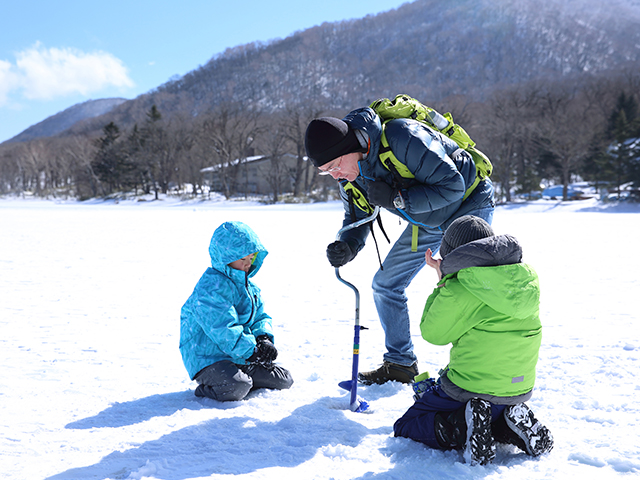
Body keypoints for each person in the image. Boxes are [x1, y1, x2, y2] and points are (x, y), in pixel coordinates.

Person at [304, 107, 495, 384]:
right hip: (426, 220)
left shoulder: (401, 137)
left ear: (350, 148)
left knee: (472, 286)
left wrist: (397, 198)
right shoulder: (351, 175)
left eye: (333, 166)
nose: (334, 175)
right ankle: (400, 364)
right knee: (385, 284)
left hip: (468, 204)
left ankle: (482, 372)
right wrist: (347, 245)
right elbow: (358, 216)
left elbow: (453, 184)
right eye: (325, 172)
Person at [393, 215, 553, 465]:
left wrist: (444, 280)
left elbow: (433, 333)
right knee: (491, 410)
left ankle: (460, 427)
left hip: (469, 387)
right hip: (517, 389)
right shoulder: (524, 280)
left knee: (407, 425)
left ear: (452, 254)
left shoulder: (461, 287)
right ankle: (510, 425)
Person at [179, 221, 293, 402]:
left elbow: (260, 317)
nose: (248, 264)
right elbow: (223, 328)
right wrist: (251, 351)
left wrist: (263, 338)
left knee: (284, 379)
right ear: (226, 258)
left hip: (239, 354)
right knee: (236, 387)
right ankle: (208, 388)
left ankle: (242, 375)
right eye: (242, 260)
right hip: (208, 358)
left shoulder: (248, 286)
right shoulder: (210, 289)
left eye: (251, 258)